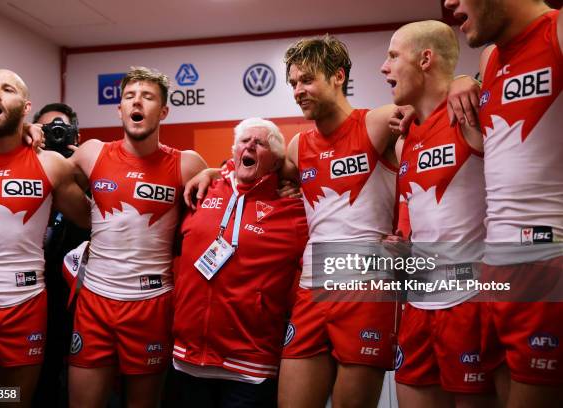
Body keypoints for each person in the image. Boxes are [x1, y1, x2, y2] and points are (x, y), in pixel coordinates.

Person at [185, 35, 405, 407]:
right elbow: (255, 174)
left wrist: (465, 83)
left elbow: (427, 149)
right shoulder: (298, 147)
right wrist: (212, 170)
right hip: (311, 290)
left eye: (307, 80)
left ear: (338, 76)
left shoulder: (378, 122)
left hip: (366, 290)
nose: (298, 91)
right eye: (293, 83)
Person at [444, 1, 563, 406]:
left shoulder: (557, 31)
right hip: (494, 262)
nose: (449, 2)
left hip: (547, 255)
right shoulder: (491, 58)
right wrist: (464, 78)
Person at [66, 66, 207, 408]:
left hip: (152, 304)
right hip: (95, 301)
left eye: (147, 97)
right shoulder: (93, 153)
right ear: (120, 110)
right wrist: (28, 136)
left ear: (163, 111)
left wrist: (216, 170)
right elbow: (47, 178)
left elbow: (230, 196)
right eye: (129, 97)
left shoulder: (187, 164)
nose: (136, 102)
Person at [0, 69, 90, 406]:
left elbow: (94, 218)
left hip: (26, 309)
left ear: (26, 107)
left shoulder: (50, 164)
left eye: (6, 89)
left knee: (9, 401)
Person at [381, 20, 496, 407]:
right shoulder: (404, 138)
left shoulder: (473, 113)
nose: (385, 67)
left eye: (393, 56)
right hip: (417, 306)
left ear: (425, 59)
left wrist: (468, 78)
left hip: (470, 302)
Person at [171, 118, 308, 407]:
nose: (250, 146)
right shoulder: (201, 191)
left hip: (250, 367)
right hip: (187, 359)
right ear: (233, 151)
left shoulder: (294, 210)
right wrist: (211, 171)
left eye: (260, 143)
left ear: (276, 162)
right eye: (245, 141)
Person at [32, 103, 91, 408]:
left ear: (75, 136)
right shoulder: (25, 171)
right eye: (46, 131)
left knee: (83, 388)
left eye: (61, 130)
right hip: (31, 301)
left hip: (82, 303)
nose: (54, 137)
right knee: (37, 387)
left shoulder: (91, 172)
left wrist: (78, 167)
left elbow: (101, 219)